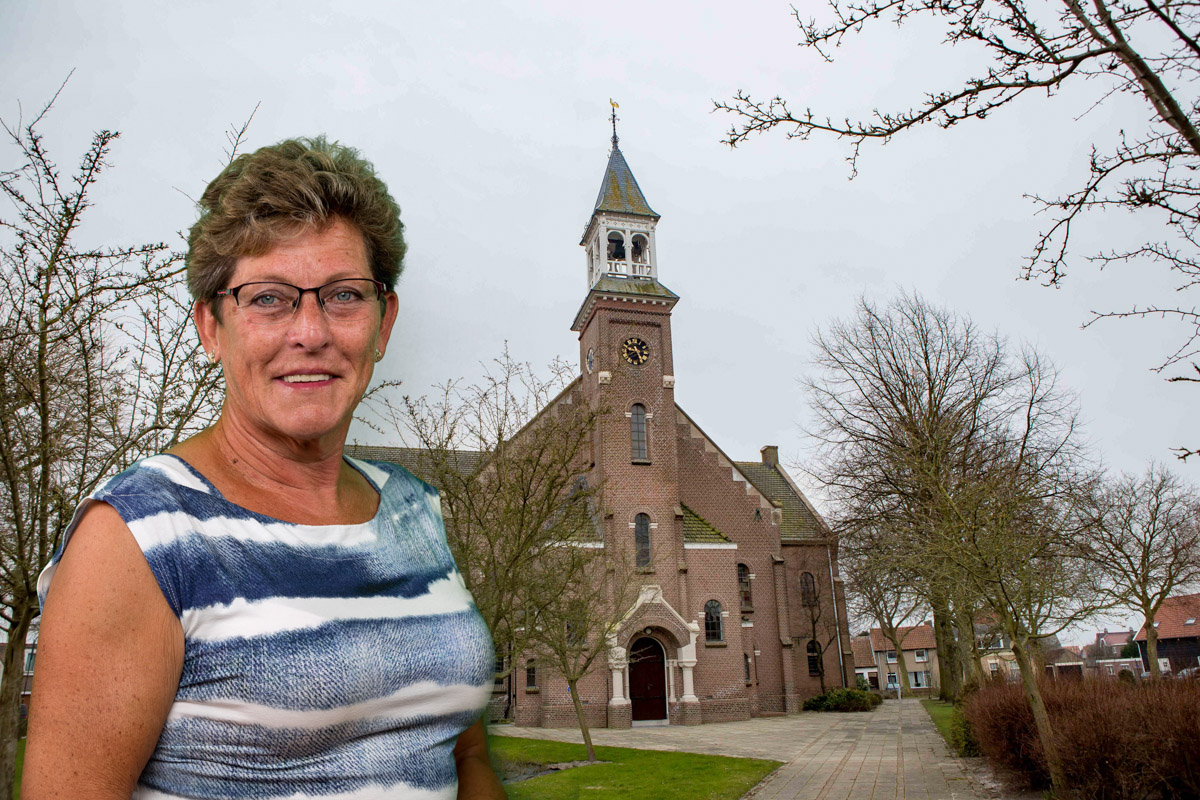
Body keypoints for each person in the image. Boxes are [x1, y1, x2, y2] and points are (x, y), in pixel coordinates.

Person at [24, 138, 506, 800]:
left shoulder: (416, 510)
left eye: (343, 295)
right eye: (269, 298)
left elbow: (464, 754)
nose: (310, 331)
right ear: (211, 326)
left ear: (382, 322)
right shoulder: (137, 540)